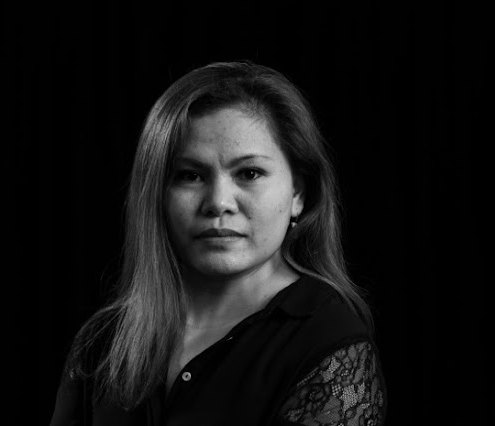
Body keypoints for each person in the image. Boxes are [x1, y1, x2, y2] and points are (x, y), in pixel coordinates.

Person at [50, 61, 387, 426]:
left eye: (249, 173)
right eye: (190, 175)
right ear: (157, 194)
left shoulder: (330, 344)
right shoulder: (103, 340)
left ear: (298, 194)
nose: (218, 202)